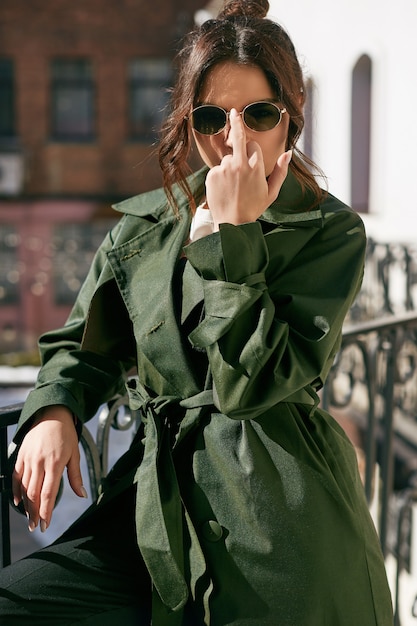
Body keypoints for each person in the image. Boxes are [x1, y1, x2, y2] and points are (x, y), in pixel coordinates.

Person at [0, 0, 394, 624]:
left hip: (277, 521)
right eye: (213, 117)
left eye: (259, 115)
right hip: (154, 505)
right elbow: (84, 345)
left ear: (290, 119)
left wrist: (230, 236)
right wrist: (55, 408)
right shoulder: (147, 228)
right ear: (189, 123)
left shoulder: (328, 230)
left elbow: (252, 383)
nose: (234, 139)